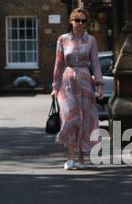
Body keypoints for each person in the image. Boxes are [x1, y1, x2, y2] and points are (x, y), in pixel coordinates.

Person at [51, 8, 104, 170]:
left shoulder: (91, 41)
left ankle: (81, 159)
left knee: (83, 119)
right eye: (77, 20)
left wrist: (99, 85)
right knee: (69, 118)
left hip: (85, 81)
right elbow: (58, 64)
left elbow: (95, 63)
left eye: (83, 21)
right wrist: (54, 86)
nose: (80, 23)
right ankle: (70, 158)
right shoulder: (63, 39)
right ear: (71, 21)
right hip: (66, 81)